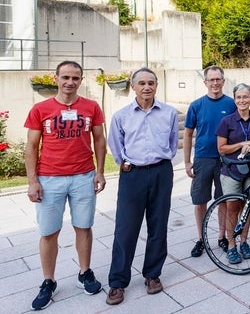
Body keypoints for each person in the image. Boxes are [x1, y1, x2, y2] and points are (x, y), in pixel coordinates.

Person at [24, 61, 106, 310]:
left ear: (81, 80)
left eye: (75, 78)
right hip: (50, 179)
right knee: (49, 232)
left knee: (84, 226)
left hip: (83, 177)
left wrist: (100, 172)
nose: (70, 82)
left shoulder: (91, 107)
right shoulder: (40, 109)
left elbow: (100, 140)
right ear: (56, 79)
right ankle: (48, 281)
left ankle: (85, 273)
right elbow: (31, 146)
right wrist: (32, 181)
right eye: (66, 77)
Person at [106, 68, 179, 306]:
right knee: (126, 228)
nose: (147, 87)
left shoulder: (168, 113)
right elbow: (115, 146)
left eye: (151, 83)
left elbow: (172, 143)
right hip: (133, 175)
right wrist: (125, 163)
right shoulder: (121, 116)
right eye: (142, 83)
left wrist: (163, 159)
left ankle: (152, 274)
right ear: (133, 87)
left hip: (161, 172)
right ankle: (117, 282)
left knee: (158, 225)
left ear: (156, 86)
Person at [183, 66, 236, 258]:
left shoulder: (231, 104)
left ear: (223, 81)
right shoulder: (196, 105)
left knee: (223, 201)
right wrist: (187, 162)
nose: (215, 83)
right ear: (205, 82)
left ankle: (222, 236)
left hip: (225, 160)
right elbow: (188, 134)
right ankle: (201, 238)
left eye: (218, 79)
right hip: (203, 158)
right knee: (200, 201)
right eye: (211, 80)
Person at [215, 83, 250, 264]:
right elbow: (221, 148)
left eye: (245, 97)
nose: (242, 100)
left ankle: (244, 242)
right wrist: (240, 144)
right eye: (239, 97)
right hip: (231, 171)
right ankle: (231, 245)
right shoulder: (226, 121)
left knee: (247, 206)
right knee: (232, 208)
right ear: (235, 99)